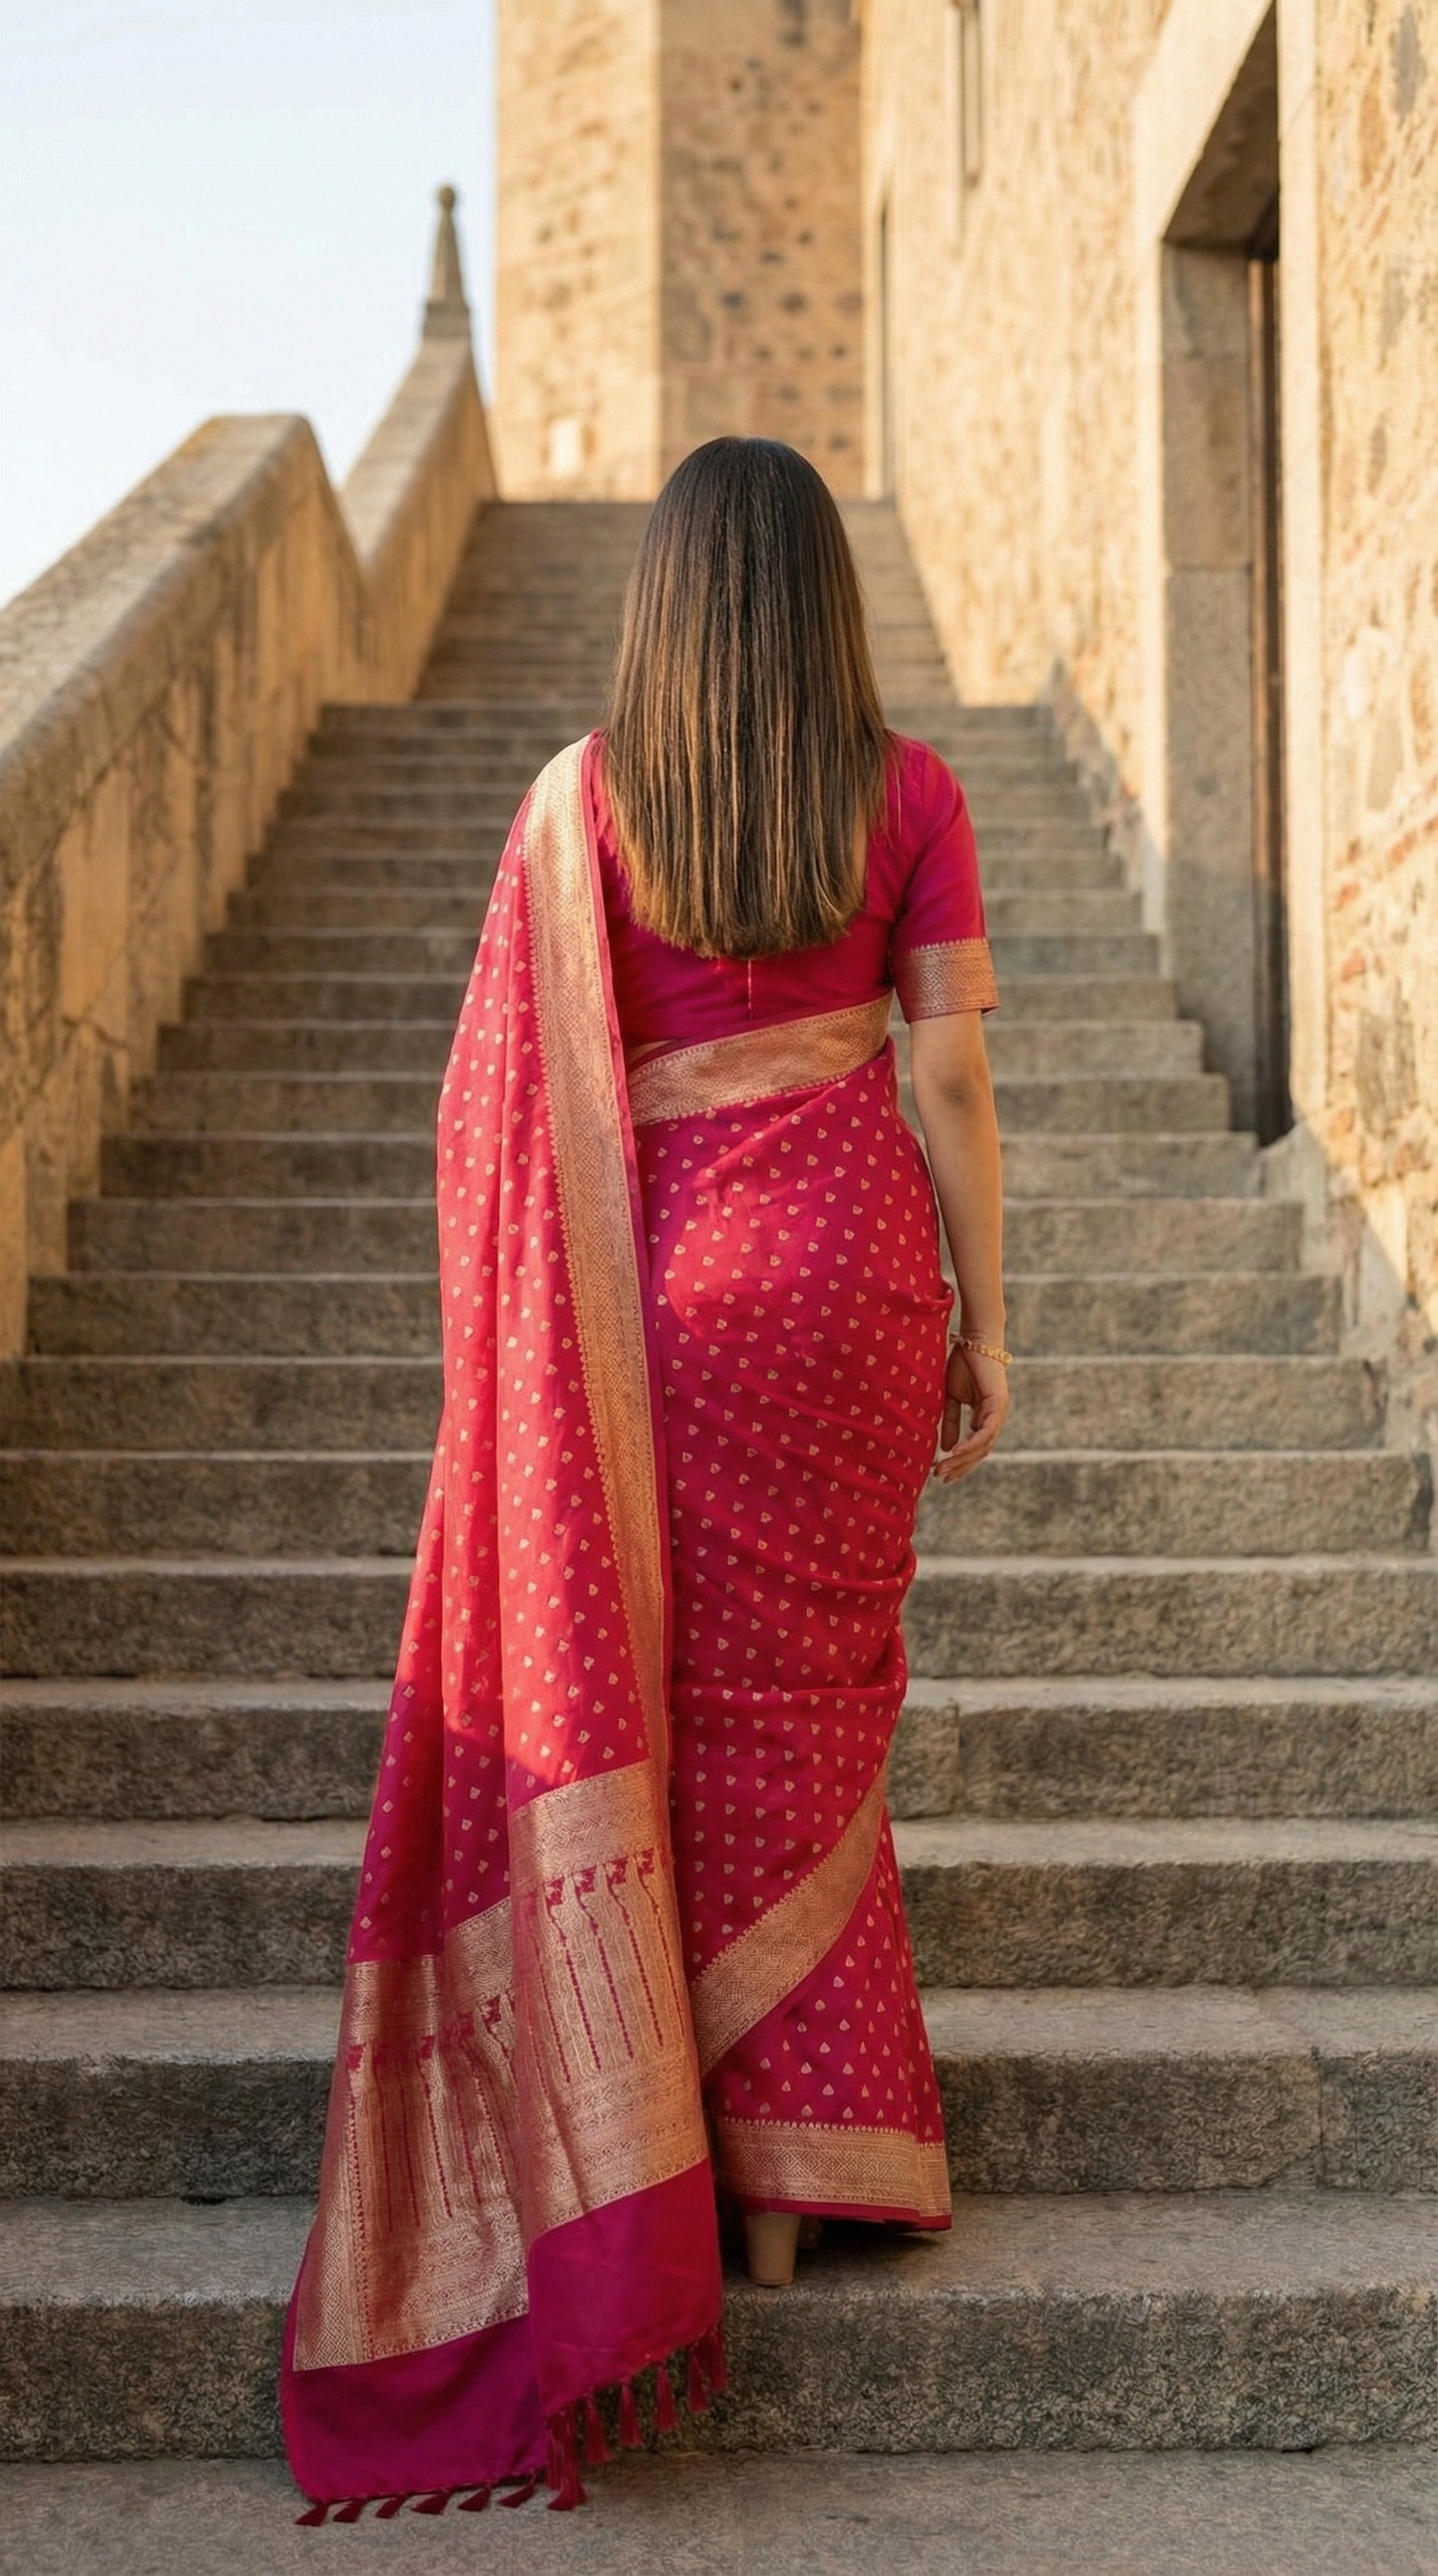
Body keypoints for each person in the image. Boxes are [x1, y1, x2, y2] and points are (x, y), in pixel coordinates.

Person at [281, 436, 1008, 2522]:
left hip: (656, 1299)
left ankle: (661, 2166)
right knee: (807, 1713)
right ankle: (794, 2188)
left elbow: (497, 1111)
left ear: (668, 599)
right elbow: (945, 1067)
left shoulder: (579, 808)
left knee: (674, 1710)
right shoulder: (916, 793)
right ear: (832, 595)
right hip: (853, 1277)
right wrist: (992, 1309)